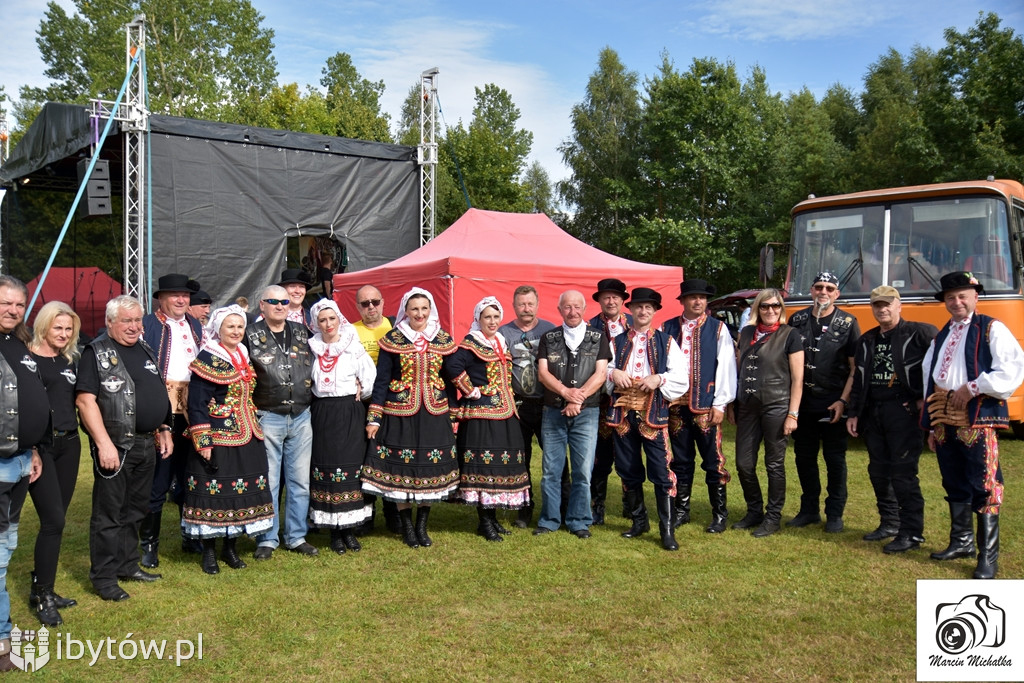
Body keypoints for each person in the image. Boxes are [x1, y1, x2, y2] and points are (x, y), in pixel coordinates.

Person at [922, 271, 1024, 579]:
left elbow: (1012, 368)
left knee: (984, 484)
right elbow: (930, 374)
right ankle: (962, 542)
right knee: (953, 481)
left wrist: (975, 387)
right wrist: (931, 423)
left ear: (975, 296)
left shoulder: (992, 328)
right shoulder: (942, 334)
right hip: (943, 417)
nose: (956, 302)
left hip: (976, 416)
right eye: (950, 297)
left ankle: (987, 557)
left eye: (962, 295)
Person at [77, 295, 174, 601]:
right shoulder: (97, 352)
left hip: (147, 443)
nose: (134, 327)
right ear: (110, 322)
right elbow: (85, 400)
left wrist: (163, 427)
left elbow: (155, 390)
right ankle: (104, 577)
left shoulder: (144, 348)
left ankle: (127, 565)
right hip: (117, 445)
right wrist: (103, 443)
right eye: (126, 321)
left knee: (135, 510)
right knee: (109, 514)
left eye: (137, 320)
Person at [362, 288, 459, 549]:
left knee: (428, 468)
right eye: (414, 309)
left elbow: (451, 380)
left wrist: (454, 413)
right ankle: (406, 527)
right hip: (399, 412)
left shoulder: (441, 339)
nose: (419, 314)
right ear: (406, 310)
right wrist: (374, 417)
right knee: (401, 469)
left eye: (424, 309)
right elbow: (381, 381)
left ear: (430, 311)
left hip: (434, 412)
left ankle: (422, 526)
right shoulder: (392, 339)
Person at [183, 305, 275, 574]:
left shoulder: (242, 353)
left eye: (240, 327)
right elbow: (197, 403)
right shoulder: (209, 357)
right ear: (218, 329)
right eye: (230, 327)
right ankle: (209, 553)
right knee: (216, 492)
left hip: (247, 434)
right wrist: (204, 440)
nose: (236, 331)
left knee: (240, 492)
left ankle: (230, 548)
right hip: (220, 435)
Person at [847, 286, 937, 554]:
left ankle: (911, 532)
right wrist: (853, 412)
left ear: (899, 305)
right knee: (878, 470)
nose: (882, 309)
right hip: (873, 411)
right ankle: (889, 523)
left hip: (904, 410)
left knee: (904, 473)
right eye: (877, 305)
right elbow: (859, 379)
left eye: (887, 304)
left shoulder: (921, 333)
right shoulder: (867, 340)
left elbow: (938, 367)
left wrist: (924, 398)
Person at [607, 288, 689, 551]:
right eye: (639, 307)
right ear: (630, 310)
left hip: (653, 414)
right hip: (622, 415)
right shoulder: (617, 342)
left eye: (648, 308)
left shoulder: (666, 342)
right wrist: (614, 373)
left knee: (661, 471)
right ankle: (639, 521)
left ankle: (666, 530)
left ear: (655, 312)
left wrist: (659, 378)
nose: (643, 312)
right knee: (628, 469)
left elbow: (681, 377)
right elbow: (603, 368)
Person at [449, 297, 530, 542]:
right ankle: (484, 521)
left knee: (499, 466)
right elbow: (452, 366)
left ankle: (492, 519)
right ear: (478, 319)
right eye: (487, 317)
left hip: (504, 413)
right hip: (481, 416)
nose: (492, 321)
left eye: (496, 317)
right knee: (484, 467)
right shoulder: (471, 342)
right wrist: (470, 389)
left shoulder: (499, 341)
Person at [246, 285, 318, 559]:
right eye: (273, 301)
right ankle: (267, 537)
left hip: (301, 415)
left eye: (284, 301)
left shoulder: (302, 332)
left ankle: (296, 536)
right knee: (270, 481)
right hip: (268, 415)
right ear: (261, 305)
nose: (279, 306)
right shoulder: (249, 335)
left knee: (300, 481)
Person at [787, 271, 860, 533]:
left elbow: (855, 368)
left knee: (834, 460)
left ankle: (835, 513)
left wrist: (843, 400)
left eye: (829, 288)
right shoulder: (796, 319)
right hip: (803, 403)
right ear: (811, 290)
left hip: (833, 403)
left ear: (837, 294)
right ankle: (809, 510)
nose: (824, 292)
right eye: (819, 287)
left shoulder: (848, 322)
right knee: (804, 458)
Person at [535, 290, 612, 539]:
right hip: (553, 411)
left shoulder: (598, 337)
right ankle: (549, 519)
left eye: (577, 307)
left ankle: (579, 520)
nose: (572, 312)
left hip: (586, 413)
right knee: (551, 470)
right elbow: (543, 373)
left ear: (584, 309)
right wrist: (566, 393)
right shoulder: (549, 337)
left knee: (582, 470)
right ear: (559, 310)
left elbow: (601, 374)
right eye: (567, 307)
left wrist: (577, 398)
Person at [661, 279, 736, 534]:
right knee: (680, 461)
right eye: (692, 297)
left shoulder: (717, 329)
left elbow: (726, 365)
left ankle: (719, 514)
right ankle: (682, 512)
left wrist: (720, 403)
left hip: (706, 404)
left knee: (713, 461)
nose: (698, 302)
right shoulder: (668, 327)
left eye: (702, 298)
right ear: (682, 301)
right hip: (675, 406)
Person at [140, 273, 204, 568]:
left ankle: (190, 535)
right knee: (159, 479)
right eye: (175, 295)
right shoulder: (148, 325)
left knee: (190, 476)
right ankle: (148, 545)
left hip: (192, 411)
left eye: (185, 296)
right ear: (161, 299)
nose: (181, 300)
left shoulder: (196, 325)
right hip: (162, 412)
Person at [730, 289, 804, 538]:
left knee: (774, 464)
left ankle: (773, 516)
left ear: (781, 309)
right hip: (748, 406)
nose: (770, 311)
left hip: (777, 404)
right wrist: (733, 404)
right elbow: (739, 370)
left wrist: (792, 413)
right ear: (757, 309)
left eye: (775, 306)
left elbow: (798, 379)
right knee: (743, 462)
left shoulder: (790, 335)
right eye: (765, 306)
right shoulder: (748, 332)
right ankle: (754, 510)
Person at [26, 302, 82, 626]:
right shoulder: (27, 358)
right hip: (41, 448)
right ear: (44, 326)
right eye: (57, 327)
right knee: (54, 521)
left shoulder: (68, 360)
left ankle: (42, 586)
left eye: (68, 329)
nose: (63, 334)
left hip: (70, 444)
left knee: (56, 520)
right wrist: (31, 446)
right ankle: (44, 595)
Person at [0, 276, 45, 672]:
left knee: (7, 543)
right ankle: (1, 639)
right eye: (4, 304)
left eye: (18, 305)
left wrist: (31, 449)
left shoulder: (18, 341)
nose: (12, 311)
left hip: (19, 460)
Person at [306, 299, 376, 554]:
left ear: (339, 320)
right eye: (322, 320)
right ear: (316, 323)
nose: (328, 324)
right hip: (322, 413)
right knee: (325, 467)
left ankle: (349, 530)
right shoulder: (310, 348)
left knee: (349, 468)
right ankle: (334, 533)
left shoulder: (353, 348)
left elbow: (369, 380)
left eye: (331, 319)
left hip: (349, 412)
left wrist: (359, 392)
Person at [498, 285, 556, 528]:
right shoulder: (504, 333)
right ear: (514, 306)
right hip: (518, 404)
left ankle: (558, 506)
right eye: (521, 304)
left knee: (553, 460)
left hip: (547, 404)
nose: (526, 308)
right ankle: (524, 507)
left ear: (537, 304)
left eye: (530, 303)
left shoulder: (550, 330)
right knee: (520, 459)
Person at [351, 284, 399, 535]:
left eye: (375, 302)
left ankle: (394, 514)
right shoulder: (350, 331)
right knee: (362, 459)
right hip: (362, 403)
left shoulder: (395, 328)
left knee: (389, 458)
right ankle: (366, 515)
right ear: (357, 306)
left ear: (383, 302)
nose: (371, 307)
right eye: (364, 303)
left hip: (393, 403)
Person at [588, 278, 633, 524]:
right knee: (600, 456)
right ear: (600, 300)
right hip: (601, 401)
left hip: (631, 400)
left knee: (629, 455)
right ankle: (597, 506)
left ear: (623, 300)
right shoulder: (590, 326)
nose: (611, 301)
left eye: (616, 297)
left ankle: (631, 504)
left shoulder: (635, 323)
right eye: (606, 297)